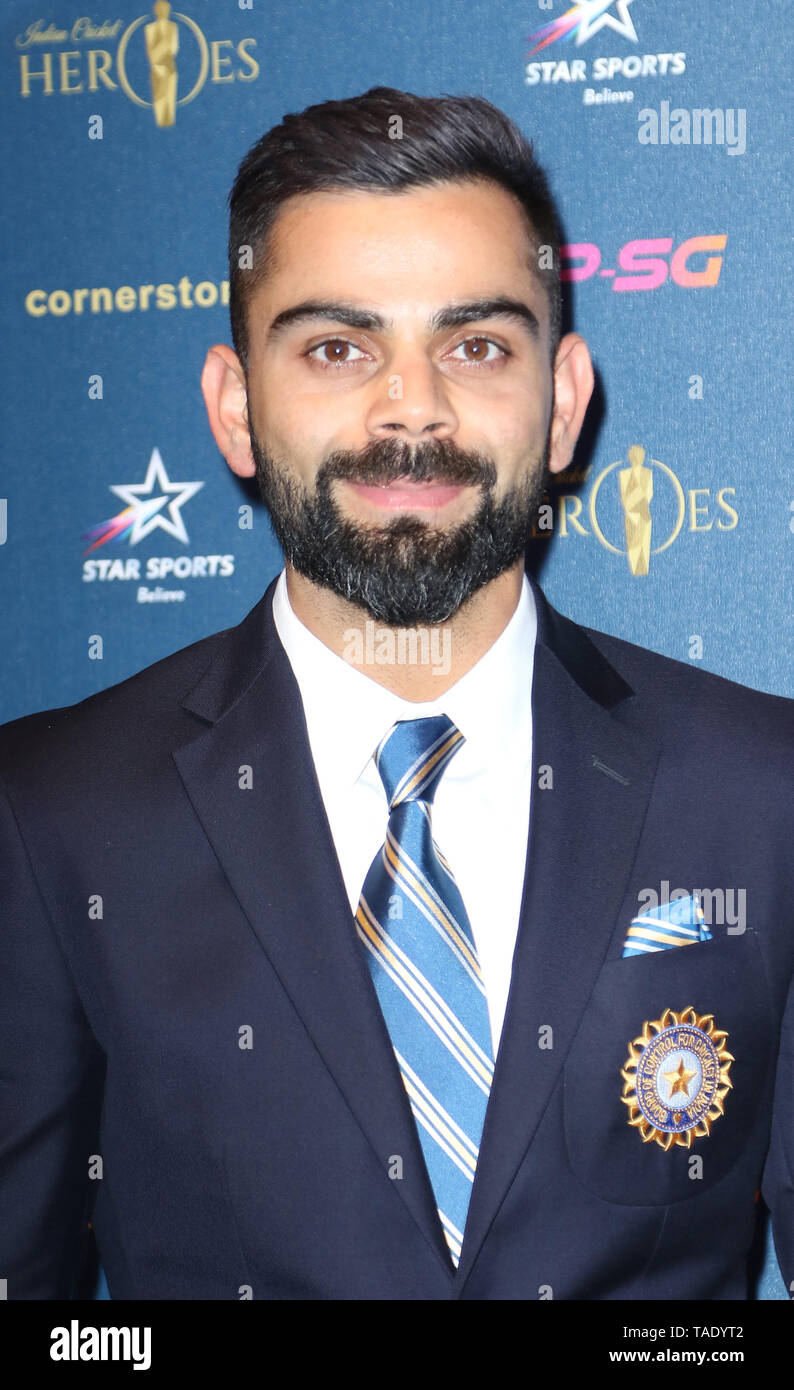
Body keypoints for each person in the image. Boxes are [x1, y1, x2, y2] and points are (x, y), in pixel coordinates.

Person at [1, 87, 792, 1301]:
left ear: (564, 399)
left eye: (474, 345)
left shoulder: (762, 792)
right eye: (336, 347)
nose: (408, 408)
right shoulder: (53, 814)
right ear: (235, 408)